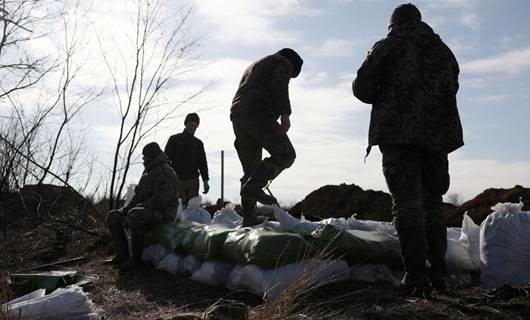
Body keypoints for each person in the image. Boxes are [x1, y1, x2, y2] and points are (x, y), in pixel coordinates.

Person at [352, 3, 464, 295]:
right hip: (437, 139)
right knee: (433, 204)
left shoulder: (389, 46)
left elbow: (362, 88)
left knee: (407, 204)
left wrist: (388, 94)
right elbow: (452, 87)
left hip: (399, 136)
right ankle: (438, 276)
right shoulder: (444, 51)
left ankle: (415, 279)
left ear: (393, 24)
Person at [230, 48, 303, 227]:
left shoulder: (255, 66)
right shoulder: (283, 63)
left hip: (238, 116)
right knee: (286, 154)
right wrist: (285, 114)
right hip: (258, 112)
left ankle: (248, 218)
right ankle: (255, 186)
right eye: (292, 76)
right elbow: (279, 85)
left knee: (250, 170)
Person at [106, 142, 179, 270]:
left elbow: (161, 200)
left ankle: (136, 259)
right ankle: (122, 255)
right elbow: (138, 195)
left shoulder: (167, 172)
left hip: (165, 214)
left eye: (145, 157)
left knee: (135, 214)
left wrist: (137, 208)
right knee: (113, 215)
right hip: (147, 210)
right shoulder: (148, 172)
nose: (143, 159)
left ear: (152, 157)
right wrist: (124, 210)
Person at [164, 113, 210, 207]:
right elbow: (166, 160)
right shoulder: (175, 140)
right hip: (177, 180)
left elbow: (202, 163)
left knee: (192, 209)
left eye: (195, 125)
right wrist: (167, 178)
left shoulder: (198, 144)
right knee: (176, 207)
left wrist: (205, 180)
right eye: (190, 124)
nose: (192, 127)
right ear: (186, 124)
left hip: (193, 181)